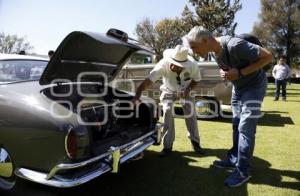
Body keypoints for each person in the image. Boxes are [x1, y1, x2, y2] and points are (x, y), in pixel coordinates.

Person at [184, 26, 272, 187]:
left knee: (245, 127)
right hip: (238, 89)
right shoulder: (215, 52)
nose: (194, 52)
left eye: (194, 47)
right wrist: (227, 74)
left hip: (254, 87)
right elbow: (231, 69)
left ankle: (243, 171)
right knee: (236, 124)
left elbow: (267, 56)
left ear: (205, 40)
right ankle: (233, 160)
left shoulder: (233, 44)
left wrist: (239, 73)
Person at [132, 45, 205, 157]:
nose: (176, 67)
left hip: (186, 91)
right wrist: (137, 96)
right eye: (175, 64)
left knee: (191, 116)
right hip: (168, 90)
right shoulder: (162, 64)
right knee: (167, 113)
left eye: (180, 66)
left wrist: (188, 89)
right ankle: (167, 147)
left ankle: (196, 144)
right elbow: (147, 82)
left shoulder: (192, 64)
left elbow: (196, 80)